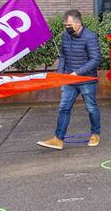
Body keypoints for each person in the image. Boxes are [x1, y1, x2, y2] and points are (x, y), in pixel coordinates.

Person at [37, 10, 101, 150]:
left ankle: (95, 133)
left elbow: (95, 59)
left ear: (78, 23)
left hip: (86, 80)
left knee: (91, 108)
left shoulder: (90, 37)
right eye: (65, 24)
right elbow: (64, 56)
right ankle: (58, 139)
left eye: (69, 24)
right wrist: (61, 74)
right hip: (69, 80)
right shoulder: (66, 36)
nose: (67, 27)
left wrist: (77, 73)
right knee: (64, 108)